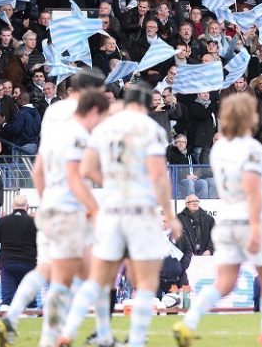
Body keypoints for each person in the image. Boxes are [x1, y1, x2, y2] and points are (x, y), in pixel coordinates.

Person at [56, 83, 176, 347]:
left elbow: (86, 169)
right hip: (139, 210)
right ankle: (135, 340)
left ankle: (68, 331)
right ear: (146, 104)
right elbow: (158, 174)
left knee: (99, 279)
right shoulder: (151, 129)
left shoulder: (105, 128)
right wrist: (169, 213)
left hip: (110, 210)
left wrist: (111, 182)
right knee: (145, 281)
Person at [0, 69, 106, 347]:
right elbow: (76, 172)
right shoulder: (80, 127)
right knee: (81, 275)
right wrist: (93, 207)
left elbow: (38, 169)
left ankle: (15, 315)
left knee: (52, 268)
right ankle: (63, 336)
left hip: (50, 202)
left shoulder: (54, 117)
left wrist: (46, 201)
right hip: (71, 205)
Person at [173, 93, 262, 347]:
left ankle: (188, 321)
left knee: (225, 283)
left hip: (226, 220)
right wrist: (259, 224)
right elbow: (250, 187)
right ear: (248, 116)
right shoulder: (252, 148)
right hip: (249, 220)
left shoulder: (220, 148)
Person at [0, 195, 37, 309]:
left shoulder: (2, 221)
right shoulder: (33, 222)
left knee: (7, 300)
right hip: (28, 264)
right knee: (30, 300)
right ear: (27, 207)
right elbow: (42, 243)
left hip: (8, 265)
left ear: (13, 206)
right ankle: (33, 325)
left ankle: (3, 326)